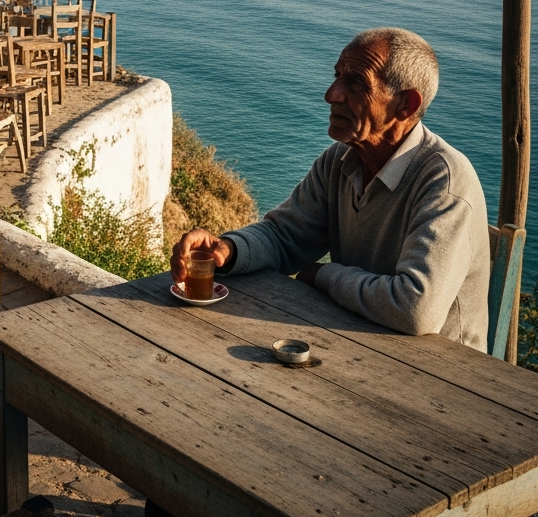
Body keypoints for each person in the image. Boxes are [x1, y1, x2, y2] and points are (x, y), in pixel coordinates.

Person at [171, 27, 491, 351]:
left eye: (356, 83)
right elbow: (285, 237)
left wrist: (323, 276)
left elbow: (415, 309)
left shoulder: (444, 181)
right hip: (357, 342)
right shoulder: (341, 160)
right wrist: (228, 250)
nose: (331, 94)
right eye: (337, 76)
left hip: (443, 375)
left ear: (406, 105)